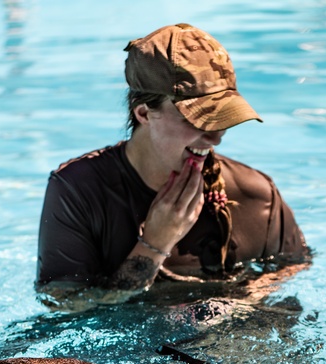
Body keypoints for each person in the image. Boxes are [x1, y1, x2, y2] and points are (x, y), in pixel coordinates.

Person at [35, 23, 309, 309]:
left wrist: (236, 305)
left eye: (223, 117)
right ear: (144, 113)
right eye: (198, 118)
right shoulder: (79, 191)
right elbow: (63, 308)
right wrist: (154, 245)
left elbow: (293, 271)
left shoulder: (257, 196)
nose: (216, 137)